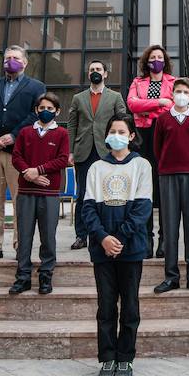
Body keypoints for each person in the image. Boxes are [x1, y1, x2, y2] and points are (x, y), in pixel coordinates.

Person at [81, 114, 154, 376]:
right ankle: (107, 358)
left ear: (132, 135)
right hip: (102, 250)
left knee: (130, 306)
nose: (116, 135)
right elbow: (88, 209)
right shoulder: (96, 167)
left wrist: (119, 238)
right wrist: (103, 238)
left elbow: (143, 209)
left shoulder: (141, 165)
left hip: (130, 248)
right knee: (106, 306)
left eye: (122, 131)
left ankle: (125, 358)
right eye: (112, 131)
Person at [0, 45, 46, 260]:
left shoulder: (36, 87)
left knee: (20, 201)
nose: (10, 61)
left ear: (25, 62)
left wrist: (14, 135)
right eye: (7, 58)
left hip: (19, 153)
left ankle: (20, 245)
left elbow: (36, 114)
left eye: (15, 57)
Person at [10, 93, 72, 295]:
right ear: (36, 110)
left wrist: (39, 170)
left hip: (49, 193)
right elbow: (16, 157)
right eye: (42, 108)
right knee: (24, 236)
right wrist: (29, 174)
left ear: (57, 111)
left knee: (48, 236)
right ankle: (23, 277)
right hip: (26, 191)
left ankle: (46, 274)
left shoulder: (61, 133)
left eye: (50, 108)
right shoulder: (25, 132)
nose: (46, 111)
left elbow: (62, 159)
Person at [153, 77, 189, 294]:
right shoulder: (163, 119)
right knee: (169, 228)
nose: (181, 95)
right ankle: (171, 277)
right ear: (172, 93)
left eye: (185, 92)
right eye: (178, 91)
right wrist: (167, 165)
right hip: (168, 176)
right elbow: (157, 148)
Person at [65, 60, 128, 251]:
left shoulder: (115, 97)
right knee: (83, 195)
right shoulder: (78, 98)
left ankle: (105, 234)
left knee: (108, 193)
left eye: (98, 69)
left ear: (105, 74)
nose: (95, 72)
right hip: (83, 152)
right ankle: (81, 235)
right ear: (88, 73)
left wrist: (121, 148)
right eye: (92, 69)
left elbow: (123, 121)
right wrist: (70, 151)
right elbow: (72, 125)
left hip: (107, 151)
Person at [126, 45, 176, 258]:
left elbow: (173, 107)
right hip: (143, 137)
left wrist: (146, 107)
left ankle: (164, 239)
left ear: (165, 61)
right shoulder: (137, 82)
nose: (156, 60)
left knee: (164, 188)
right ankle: (146, 239)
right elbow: (132, 105)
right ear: (147, 61)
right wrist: (159, 102)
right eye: (153, 57)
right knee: (145, 189)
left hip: (165, 135)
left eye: (160, 57)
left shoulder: (173, 82)